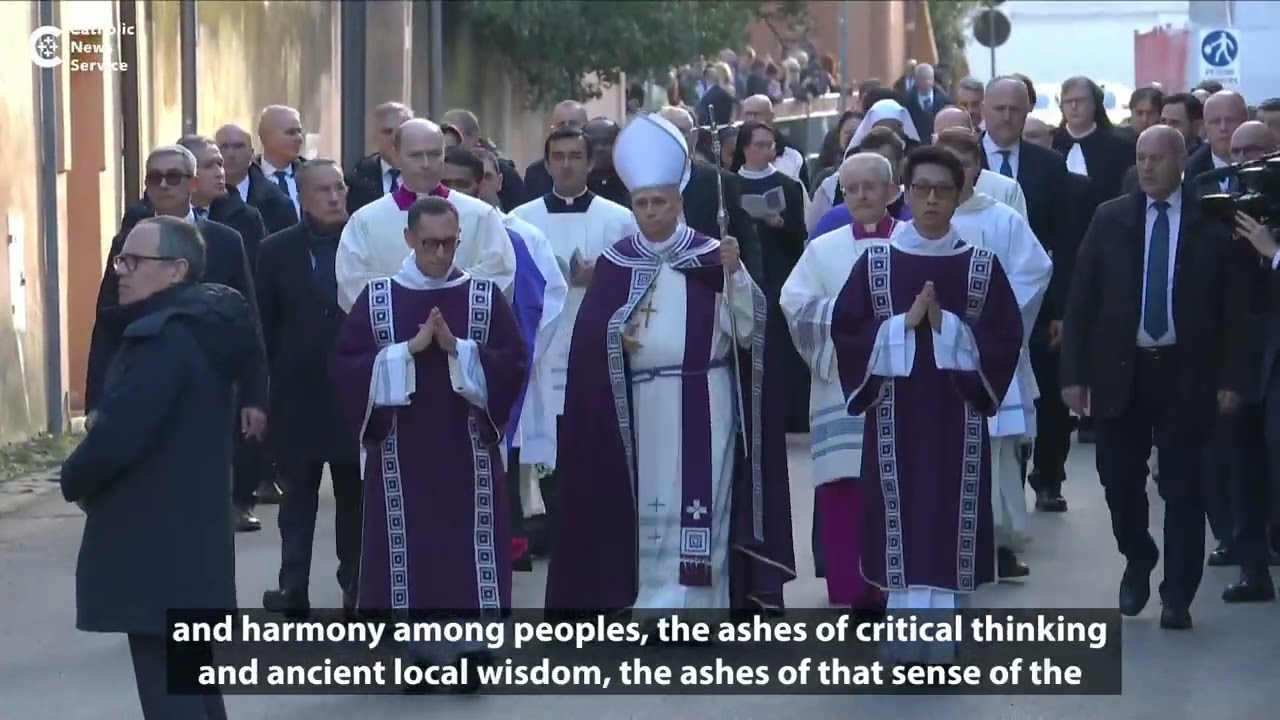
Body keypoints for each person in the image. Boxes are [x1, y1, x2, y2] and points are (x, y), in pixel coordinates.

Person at [545, 113, 796, 612]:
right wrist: (615, 338)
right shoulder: (617, 262)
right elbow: (592, 336)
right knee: (648, 501)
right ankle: (651, 602)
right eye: (641, 204)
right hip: (642, 403)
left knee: (706, 498)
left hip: (706, 395)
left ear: (679, 204)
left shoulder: (712, 255)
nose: (650, 212)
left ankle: (698, 606)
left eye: (659, 202)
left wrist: (736, 275)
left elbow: (749, 330)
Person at [61, 216, 263, 720]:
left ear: (176, 270)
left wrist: (73, 477)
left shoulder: (162, 338)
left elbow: (118, 436)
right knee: (191, 681)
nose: (121, 272)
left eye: (134, 262)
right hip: (192, 535)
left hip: (151, 539)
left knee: (168, 690)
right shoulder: (205, 326)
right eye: (120, 260)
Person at [830, 146, 1023, 662]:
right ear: (906, 194)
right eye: (922, 188)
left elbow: (1004, 339)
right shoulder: (876, 263)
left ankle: (944, 638)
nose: (932, 199)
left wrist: (946, 326)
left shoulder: (980, 266)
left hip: (957, 419)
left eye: (943, 189)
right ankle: (903, 637)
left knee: (945, 517)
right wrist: (903, 325)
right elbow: (847, 332)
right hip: (894, 416)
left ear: (959, 196)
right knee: (904, 516)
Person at [1059, 126, 1251, 630]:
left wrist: (1233, 377)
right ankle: (1138, 554)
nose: (1147, 167)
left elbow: (1236, 309)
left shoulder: (1213, 220)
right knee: (1119, 481)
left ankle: (1177, 595)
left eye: (1158, 158)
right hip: (1121, 371)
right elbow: (1081, 300)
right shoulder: (1111, 218)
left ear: (1181, 161)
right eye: (1141, 158)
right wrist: (1073, 375)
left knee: (1184, 487)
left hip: (1188, 372)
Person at [331, 196, 527, 684]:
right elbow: (347, 368)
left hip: (468, 451)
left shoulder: (483, 296)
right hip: (402, 452)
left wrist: (458, 349)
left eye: (449, 243)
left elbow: (512, 363)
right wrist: (407, 351)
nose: (441, 253)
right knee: (413, 547)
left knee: (465, 545)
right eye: (429, 244)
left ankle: (472, 646)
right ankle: (418, 653)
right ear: (409, 239)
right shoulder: (378, 298)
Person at [780, 152, 900, 610]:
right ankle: (851, 589)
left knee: (896, 487)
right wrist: (854, 320)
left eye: (871, 186)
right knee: (844, 487)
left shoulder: (913, 243)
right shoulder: (822, 249)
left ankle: (894, 586)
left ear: (892, 191)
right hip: (840, 390)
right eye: (852, 189)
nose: (862, 196)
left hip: (900, 388)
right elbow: (795, 304)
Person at [510, 125, 636, 554]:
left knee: (589, 440)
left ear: (590, 163)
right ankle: (542, 530)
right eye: (558, 157)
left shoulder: (618, 219)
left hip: (595, 343)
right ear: (546, 164)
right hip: (543, 349)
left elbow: (639, 278)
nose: (566, 165)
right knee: (545, 439)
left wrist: (605, 275)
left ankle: (591, 531)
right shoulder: (521, 220)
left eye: (575, 156)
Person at [935, 128, 1053, 580]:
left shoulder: (1001, 219)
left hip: (990, 356)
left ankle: (996, 545)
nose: (955, 171)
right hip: (935, 357)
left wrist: (991, 322)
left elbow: (1034, 271)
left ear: (977, 168)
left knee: (995, 454)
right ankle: (946, 544)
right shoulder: (917, 219)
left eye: (964, 162)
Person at [443, 145, 568, 571]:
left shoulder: (518, 236)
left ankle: (503, 546)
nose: (454, 192)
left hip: (495, 369)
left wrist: (518, 356)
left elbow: (544, 300)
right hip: (435, 369)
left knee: (499, 464)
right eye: (446, 184)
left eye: (462, 184)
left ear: (483, 185)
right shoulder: (420, 230)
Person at [255, 160, 364, 619]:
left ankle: (356, 586)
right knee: (297, 497)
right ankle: (292, 586)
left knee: (355, 497)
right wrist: (260, 396)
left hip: (355, 389)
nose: (335, 197)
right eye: (323, 190)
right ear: (301, 197)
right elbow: (263, 325)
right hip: (297, 393)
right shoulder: (275, 250)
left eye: (339, 188)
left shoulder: (364, 242)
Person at [981, 76, 1074, 512]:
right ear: (983, 110)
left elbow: (1063, 240)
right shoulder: (960, 160)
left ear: (1028, 112)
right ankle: (1000, 499)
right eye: (999, 108)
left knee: (1043, 396)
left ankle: (1047, 478)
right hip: (978, 304)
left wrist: (1061, 310)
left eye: (1015, 109)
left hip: (1036, 303)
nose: (1006, 117)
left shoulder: (1049, 166)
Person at [336, 118, 515, 312]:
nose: (426, 164)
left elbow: (500, 272)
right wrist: (410, 302)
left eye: (434, 154)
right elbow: (352, 281)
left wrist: (445, 299)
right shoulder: (366, 220)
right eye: (416, 155)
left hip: (460, 323)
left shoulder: (480, 215)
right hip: (396, 325)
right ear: (396, 156)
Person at [729, 121, 809, 433]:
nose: (766, 151)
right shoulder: (731, 185)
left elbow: (799, 235)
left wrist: (781, 224)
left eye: (770, 145)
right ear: (744, 148)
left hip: (779, 273)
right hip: (745, 273)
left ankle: (786, 413)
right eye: (759, 145)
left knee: (780, 348)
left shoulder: (788, 186)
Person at [809, 127, 912, 240]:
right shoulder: (835, 219)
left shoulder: (915, 215)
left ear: (900, 165)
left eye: (884, 161)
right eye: (866, 162)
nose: (873, 169)